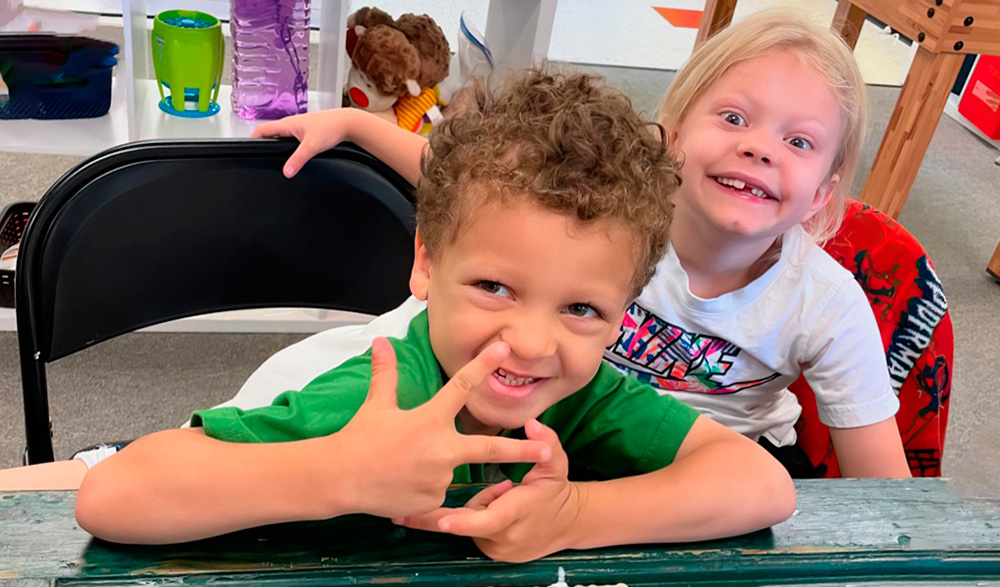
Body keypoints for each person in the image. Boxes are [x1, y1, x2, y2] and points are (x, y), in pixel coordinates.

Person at [71, 68, 796, 562]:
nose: (533, 343)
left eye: (581, 308)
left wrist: (571, 517)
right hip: (246, 437)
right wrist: (342, 473)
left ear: (621, 318)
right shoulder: (374, 398)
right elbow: (116, 495)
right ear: (425, 263)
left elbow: (761, 485)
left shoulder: (585, 393)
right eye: (495, 288)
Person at [243, 9, 911, 479]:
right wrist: (358, 125)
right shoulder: (607, 222)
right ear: (670, 135)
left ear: (824, 194)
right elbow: (478, 183)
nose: (759, 147)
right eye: (734, 117)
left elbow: (888, 500)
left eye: (798, 142)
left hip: (697, 471)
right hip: (557, 418)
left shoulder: (827, 304)